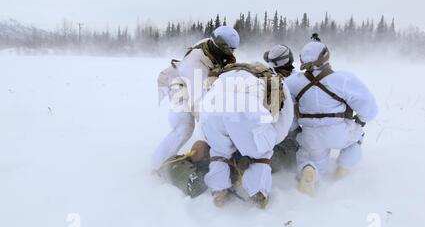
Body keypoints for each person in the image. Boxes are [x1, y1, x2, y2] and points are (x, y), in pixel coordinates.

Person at [285, 35, 378, 195]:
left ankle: (310, 171)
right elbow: (369, 108)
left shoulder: (293, 82)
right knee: (355, 141)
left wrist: (294, 128)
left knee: (310, 161)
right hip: (339, 132)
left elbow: (287, 109)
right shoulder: (342, 79)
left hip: (310, 134)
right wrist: (360, 121)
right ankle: (343, 168)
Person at [199, 61, 294, 208]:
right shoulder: (275, 80)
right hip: (244, 108)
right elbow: (284, 118)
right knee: (262, 152)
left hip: (210, 108)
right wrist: (268, 141)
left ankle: (219, 189)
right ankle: (258, 194)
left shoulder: (226, 74)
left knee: (219, 150)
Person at [152, 26, 240, 171]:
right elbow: (198, 104)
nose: (230, 54)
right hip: (177, 84)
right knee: (185, 126)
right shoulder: (195, 65)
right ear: (218, 46)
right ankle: (158, 165)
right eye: (228, 51)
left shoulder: (211, 45)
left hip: (193, 81)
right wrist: (214, 132)